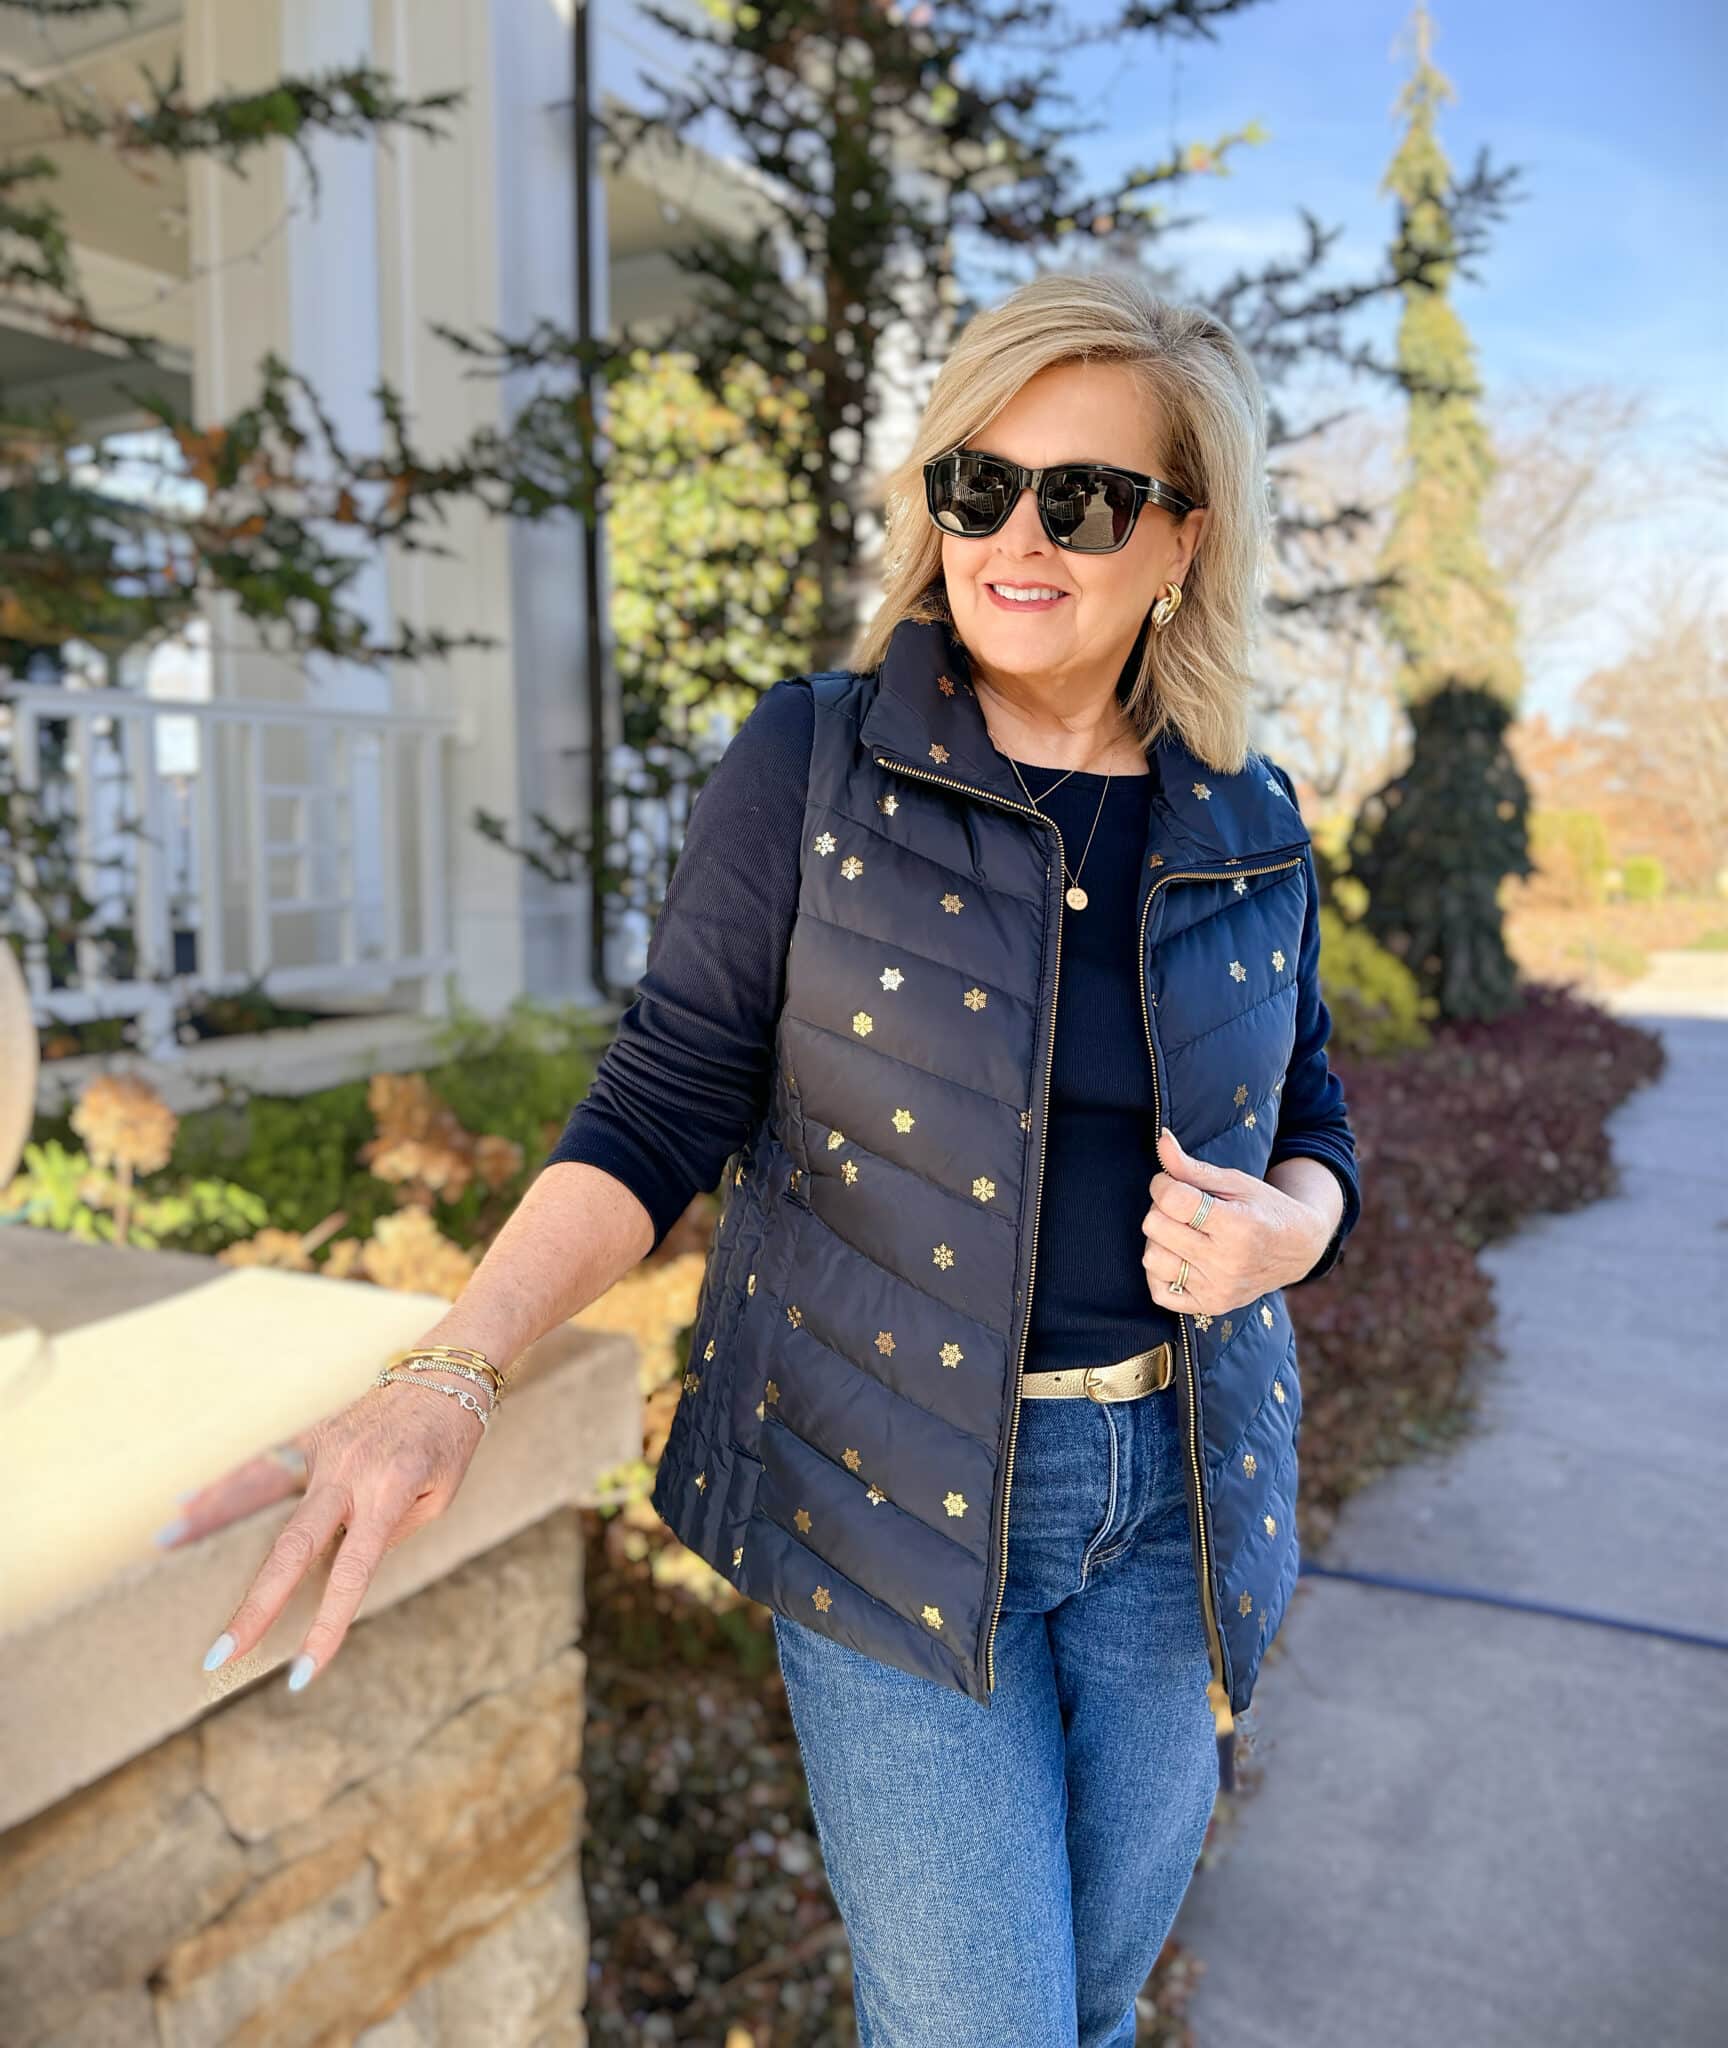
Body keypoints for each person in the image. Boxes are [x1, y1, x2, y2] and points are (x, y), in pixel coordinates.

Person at [175, 269, 1360, 2048]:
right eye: (978, 483)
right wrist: (449, 1372)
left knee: (1095, 2005)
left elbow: (1318, 1123)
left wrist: (1294, 1231)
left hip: (1177, 1496)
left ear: (1184, 537)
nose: (1016, 536)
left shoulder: (1248, 819)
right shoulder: (816, 761)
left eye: (1084, 498)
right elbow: (660, 1103)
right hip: (887, 1484)